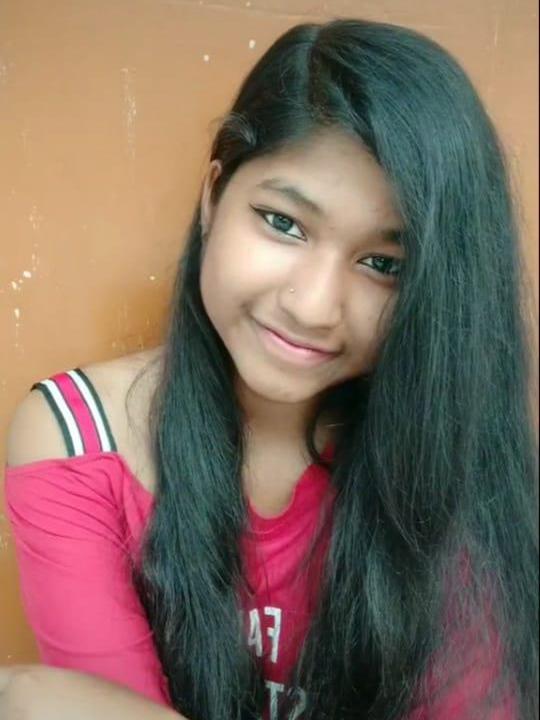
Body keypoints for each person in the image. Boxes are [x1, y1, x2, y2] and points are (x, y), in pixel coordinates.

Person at [2, 16, 538, 720]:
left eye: (383, 264)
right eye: (284, 222)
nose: (313, 307)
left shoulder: (449, 456)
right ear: (213, 195)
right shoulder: (79, 439)